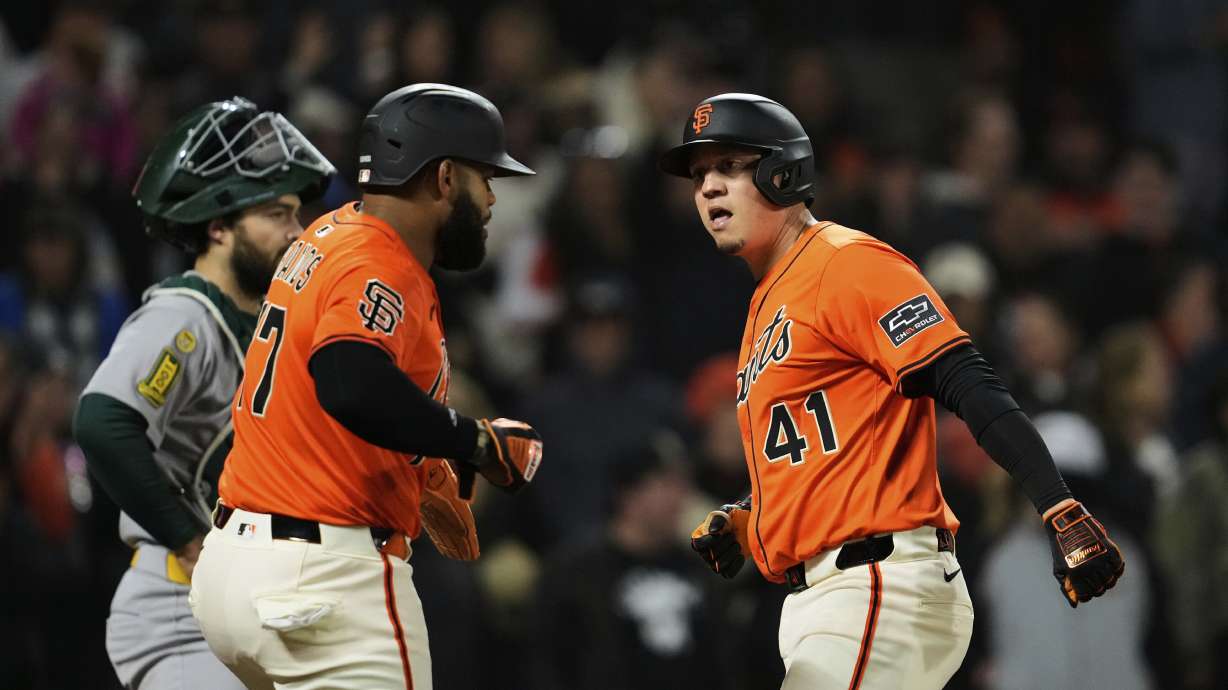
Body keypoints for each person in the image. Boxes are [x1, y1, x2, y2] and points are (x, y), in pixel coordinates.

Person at [659, 93, 1125, 690]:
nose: (708, 188)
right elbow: (839, 450)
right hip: (828, 599)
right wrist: (752, 525)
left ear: (783, 171)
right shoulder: (769, 300)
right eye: (700, 176)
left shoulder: (845, 262)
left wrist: (1056, 504)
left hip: (878, 585)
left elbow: (963, 377)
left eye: (729, 166)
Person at [187, 83, 544, 690]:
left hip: (238, 567)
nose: (490, 199)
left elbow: (331, 395)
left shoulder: (331, 234)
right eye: (485, 179)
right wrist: (471, 442)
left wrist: (422, 462)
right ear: (445, 177)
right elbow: (348, 380)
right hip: (325, 579)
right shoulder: (379, 262)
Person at [72, 96, 336, 689]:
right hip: (179, 609)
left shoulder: (275, 325)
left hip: (256, 614)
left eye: (297, 213)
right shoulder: (184, 317)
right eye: (275, 214)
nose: (297, 233)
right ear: (217, 227)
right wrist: (191, 543)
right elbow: (102, 422)